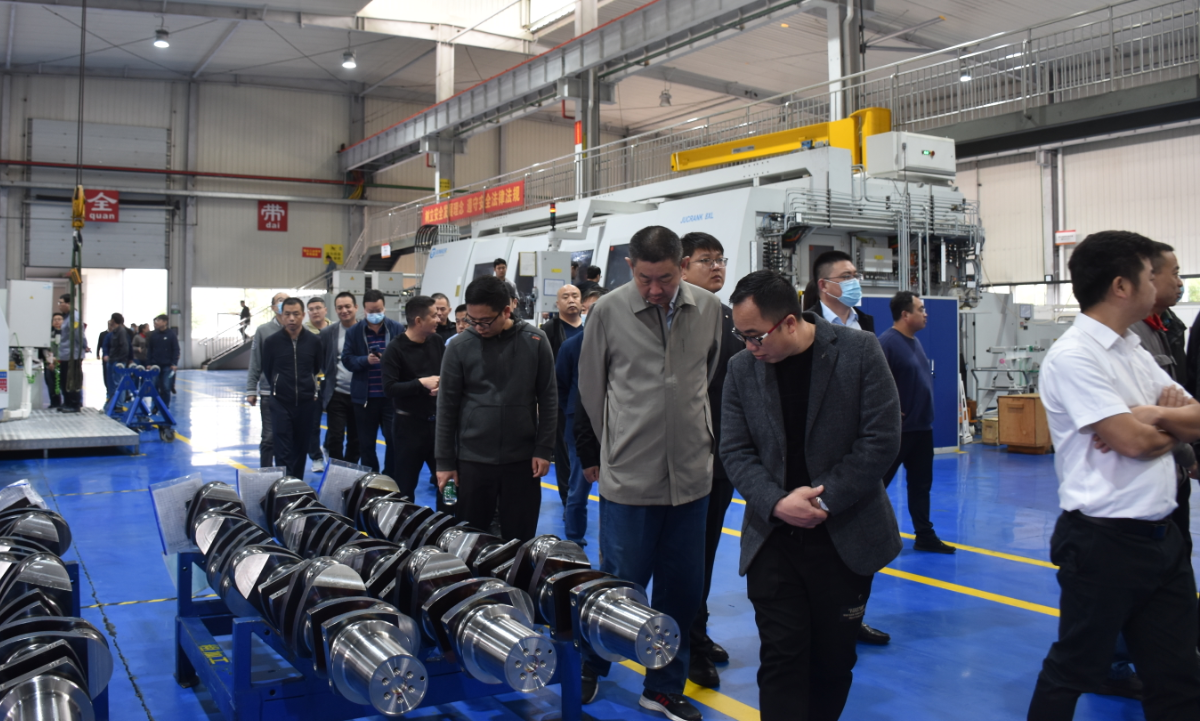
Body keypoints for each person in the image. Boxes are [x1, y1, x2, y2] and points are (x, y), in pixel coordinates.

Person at [1026, 230, 1200, 721]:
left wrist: (1150, 416)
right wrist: (1161, 424)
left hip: (1163, 539)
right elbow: (1132, 443)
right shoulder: (1075, 356)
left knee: (1178, 677)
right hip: (1103, 543)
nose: (1159, 283)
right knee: (1074, 670)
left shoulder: (1132, 350)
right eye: (1150, 274)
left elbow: (1191, 418)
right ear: (1122, 286)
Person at [721, 270, 902, 721]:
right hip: (773, 539)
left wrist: (823, 500)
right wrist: (777, 502)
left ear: (788, 322)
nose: (749, 346)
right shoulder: (741, 368)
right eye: (741, 336)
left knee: (833, 662)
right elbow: (735, 450)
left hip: (845, 536)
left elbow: (881, 439)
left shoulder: (859, 351)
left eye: (755, 336)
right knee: (781, 660)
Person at [577, 226, 723, 720]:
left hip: (692, 478)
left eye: (665, 278)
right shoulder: (607, 311)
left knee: (682, 590)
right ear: (630, 268)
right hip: (630, 479)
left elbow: (707, 374)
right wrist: (620, 442)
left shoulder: (709, 309)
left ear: (682, 266)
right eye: (644, 279)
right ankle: (591, 664)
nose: (655, 289)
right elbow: (592, 388)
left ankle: (662, 687)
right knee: (618, 587)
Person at [435, 276, 556, 543]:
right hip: (472, 461)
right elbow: (446, 408)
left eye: (485, 321)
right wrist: (444, 462)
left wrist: (544, 448)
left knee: (519, 540)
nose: (478, 327)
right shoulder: (458, 347)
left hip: (522, 462)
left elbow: (549, 398)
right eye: (472, 320)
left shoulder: (535, 340)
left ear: (506, 311)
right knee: (469, 541)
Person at [678, 232, 741, 688]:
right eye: (706, 260)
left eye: (720, 259)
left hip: (720, 459)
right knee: (678, 558)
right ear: (683, 266)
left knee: (704, 553)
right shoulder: (671, 316)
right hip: (674, 458)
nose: (717, 267)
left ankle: (694, 634)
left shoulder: (731, 319)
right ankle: (680, 640)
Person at [877, 292, 955, 555]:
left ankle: (924, 535)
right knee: (877, 486)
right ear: (905, 314)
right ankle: (863, 535)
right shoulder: (887, 343)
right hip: (899, 433)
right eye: (920, 309)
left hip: (922, 430)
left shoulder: (915, 342)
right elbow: (873, 383)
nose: (925, 313)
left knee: (921, 486)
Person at [556, 289, 607, 546]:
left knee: (614, 490)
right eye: (590, 309)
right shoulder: (571, 346)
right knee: (578, 488)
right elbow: (561, 386)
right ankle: (574, 539)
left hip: (613, 427)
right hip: (580, 429)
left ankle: (612, 539)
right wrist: (573, 412)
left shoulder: (618, 344)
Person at [383, 296, 445, 501]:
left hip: (437, 426)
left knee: (447, 482)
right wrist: (420, 383)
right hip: (408, 428)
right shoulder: (395, 349)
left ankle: (447, 519)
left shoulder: (437, 341)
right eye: (434, 315)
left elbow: (446, 374)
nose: (439, 319)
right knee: (405, 486)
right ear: (418, 320)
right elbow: (389, 388)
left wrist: (442, 386)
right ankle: (404, 520)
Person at [342, 289, 404, 476]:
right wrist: (365, 360)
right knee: (366, 443)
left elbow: (406, 358)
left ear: (384, 307)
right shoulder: (354, 332)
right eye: (371, 311)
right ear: (364, 310)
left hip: (390, 397)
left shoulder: (397, 329)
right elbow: (347, 360)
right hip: (364, 398)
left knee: (393, 440)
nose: (375, 314)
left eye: (378, 310)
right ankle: (372, 478)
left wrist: (389, 360)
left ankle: (390, 476)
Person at [261, 298, 324, 479]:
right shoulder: (272, 342)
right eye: (287, 314)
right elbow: (268, 369)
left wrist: (307, 387)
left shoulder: (314, 341)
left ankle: (297, 484)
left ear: (303, 315)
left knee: (300, 447)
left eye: (296, 314)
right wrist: (279, 385)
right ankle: (284, 486)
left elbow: (315, 367)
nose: (291, 318)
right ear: (281, 316)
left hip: (306, 402)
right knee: (282, 448)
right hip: (280, 402)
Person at [541, 284, 585, 507]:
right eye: (565, 297)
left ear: (582, 301)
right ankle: (568, 498)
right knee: (564, 451)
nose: (571, 300)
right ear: (557, 304)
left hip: (586, 399)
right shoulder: (549, 330)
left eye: (575, 296)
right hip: (561, 399)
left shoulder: (590, 328)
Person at [246, 292, 289, 467]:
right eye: (280, 301)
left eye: (286, 300)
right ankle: (266, 474)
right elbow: (255, 361)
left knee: (288, 438)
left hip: (292, 394)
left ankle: (287, 475)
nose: (283, 303)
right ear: (273, 307)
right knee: (269, 437)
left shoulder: (298, 329)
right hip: (268, 392)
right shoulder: (263, 331)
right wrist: (251, 389)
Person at [319, 292, 360, 465]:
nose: (344, 310)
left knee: (356, 439)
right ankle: (336, 471)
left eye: (348, 306)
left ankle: (350, 471)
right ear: (335, 310)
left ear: (356, 308)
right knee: (335, 437)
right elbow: (323, 360)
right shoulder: (328, 333)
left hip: (359, 395)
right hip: (336, 393)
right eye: (340, 307)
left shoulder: (365, 330)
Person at [302, 297, 332, 473]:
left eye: (318, 308)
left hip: (333, 382)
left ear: (325, 310)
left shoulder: (335, 329)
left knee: (336, 422)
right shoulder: (303, 332)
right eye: (311, 309)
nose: (315, 311)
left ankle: (327, 446)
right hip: (311, 385)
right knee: (312, 424)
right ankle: (316, 457)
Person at [813, 250, 873, 331]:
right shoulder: (807, 323)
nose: (854, 282)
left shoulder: (864, 321)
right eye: (846, 276)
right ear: (824, 285)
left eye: (855, 276)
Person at [145, 315, 180, 408]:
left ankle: (164, 407)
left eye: (158, 320)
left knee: (166, 387)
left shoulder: (171, 335)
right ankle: (156, 406)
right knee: (154, 386)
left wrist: (174, 363)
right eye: (156, 320)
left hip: (167, 366)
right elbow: (150, 350)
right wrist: (148, 363)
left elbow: (176, 349)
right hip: (155, 365)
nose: (156, 322)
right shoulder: (154, 335)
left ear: (165, 322)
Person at [56, 294, 83, 413]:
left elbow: (79, 336)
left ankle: (74, 404)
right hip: (66, 355)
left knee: (72, 380)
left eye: (61, 303)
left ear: (68, 304)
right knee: (64, 380)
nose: (59, 305)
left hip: (73, 355)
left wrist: (83, 347)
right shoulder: (67, 317)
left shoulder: (74, 318)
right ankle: (67, 402)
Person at [104, 313, 132, 400]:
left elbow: (125, 347)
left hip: (118, 361)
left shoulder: (121, 331)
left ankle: (119, 404)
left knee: (118, 383)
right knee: (111, 383)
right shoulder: (114, 332)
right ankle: (113, 400)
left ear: (113, 320)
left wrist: (120, 360)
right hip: (112, 360)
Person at [43, 314, 63, 408]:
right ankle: (54, 402)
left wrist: (57, 359)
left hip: (62, 362)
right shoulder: (48, 334)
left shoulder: (66, 335)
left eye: (59, 319)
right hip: (49, 363)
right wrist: (50, 361)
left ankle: (65, 403)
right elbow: (45, 349)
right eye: (55, 319)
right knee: (50, 383)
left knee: (61, 384)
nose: (57, 321)